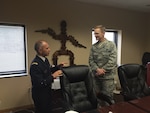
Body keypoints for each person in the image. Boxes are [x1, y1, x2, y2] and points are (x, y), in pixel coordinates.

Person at [30, 40, 63, 113]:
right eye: (47, 48)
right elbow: (40, 83)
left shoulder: (45, 60)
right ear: (40, 50)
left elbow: (47, 70)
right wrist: (53, 76)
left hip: (47, 92)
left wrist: (57, 67)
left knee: (49, 110)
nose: (49, 50)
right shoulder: (35, 65)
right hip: (40, 94)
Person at [89, 25, 117, 107]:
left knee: (108, 100)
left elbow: (113, 60)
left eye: (97, 33)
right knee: (97, 99)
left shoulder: (111, 45)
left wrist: (103, 70)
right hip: (96, 77)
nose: (95, 35)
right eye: (94, 34)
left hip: (107, 78)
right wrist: (97, 69)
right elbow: (91, 60)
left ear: (103, 33)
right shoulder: (94, 47)